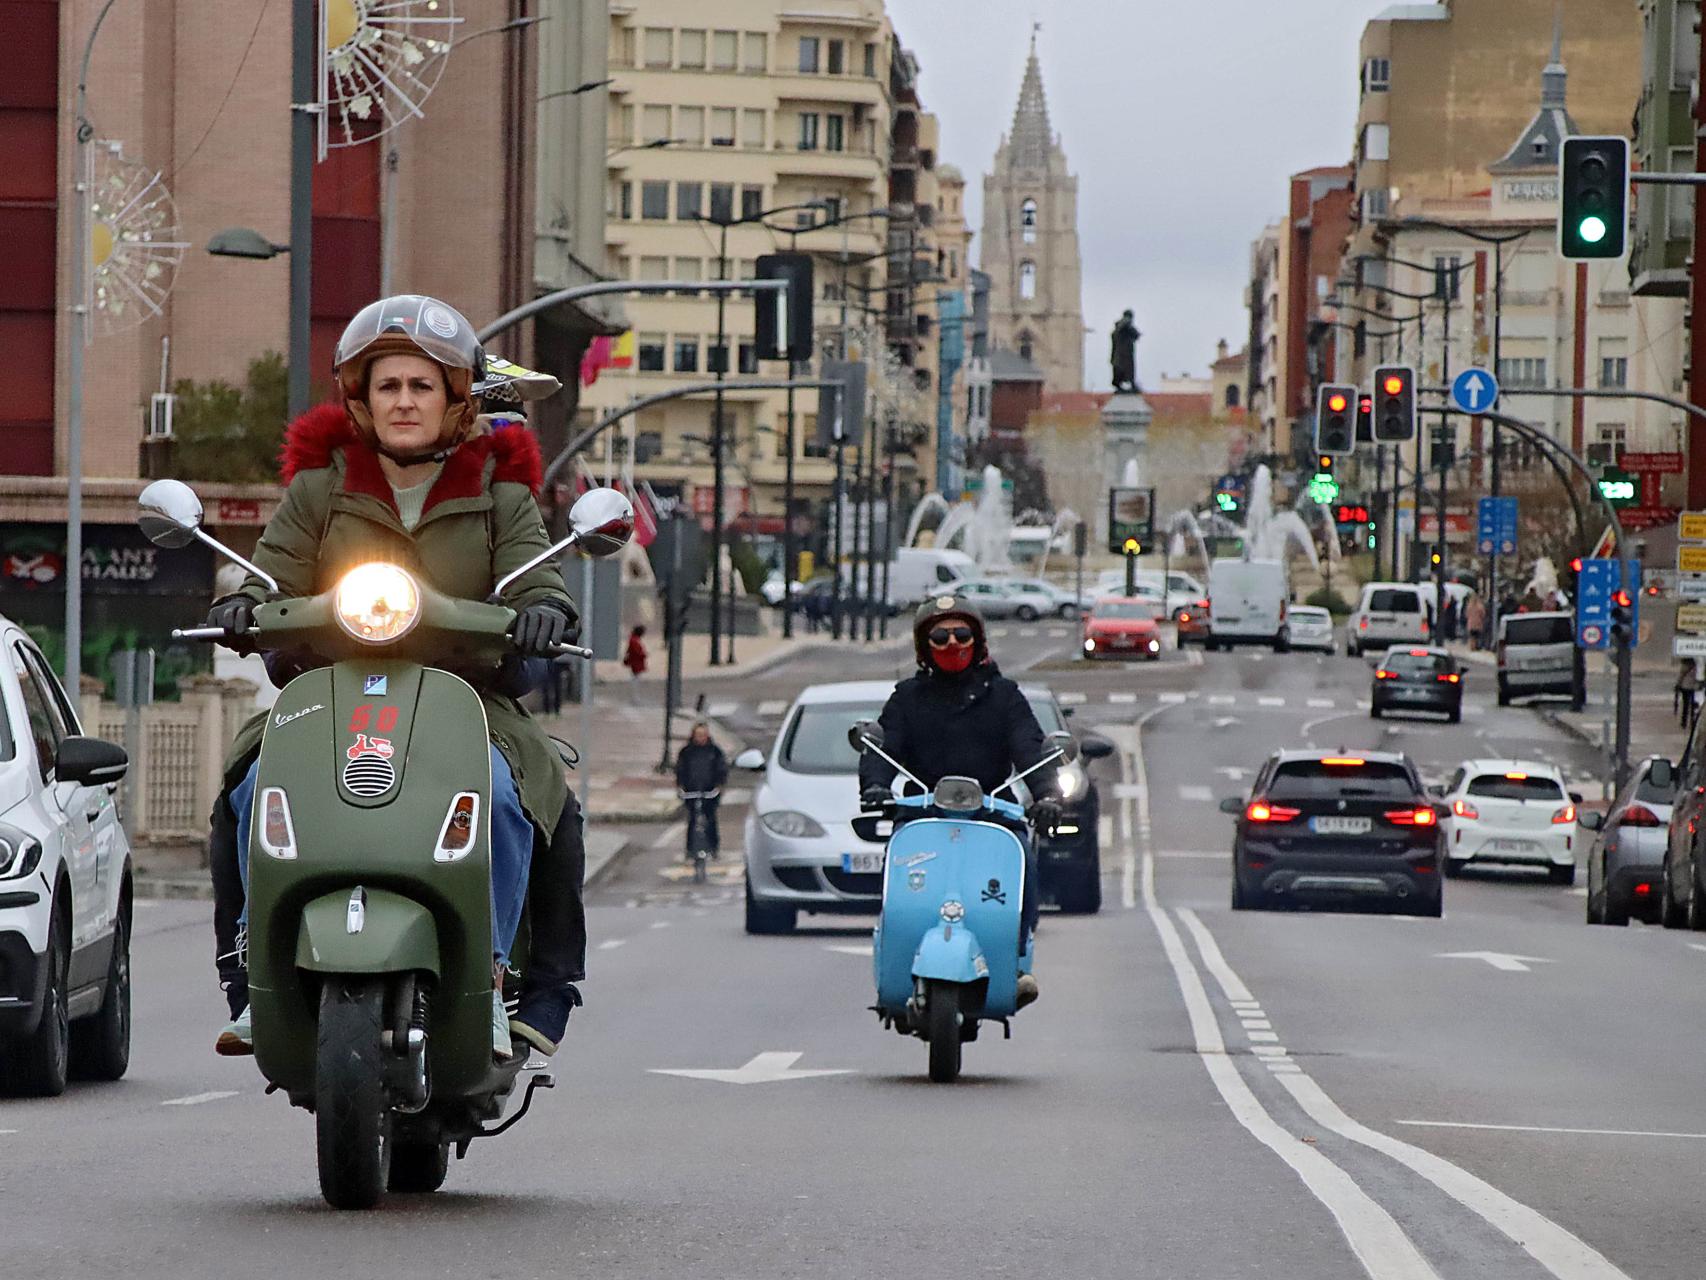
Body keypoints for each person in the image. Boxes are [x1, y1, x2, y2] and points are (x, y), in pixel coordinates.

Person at [206, 295, 587, 1062]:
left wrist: (544, 610)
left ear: (455, 398)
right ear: (361, 397)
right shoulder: (321, 488)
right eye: (388, 386)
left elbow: (537, 580)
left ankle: (511, 978)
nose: (404, 401)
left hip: (468, 701)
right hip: (330, 692)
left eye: (422, 385)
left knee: (519, 798)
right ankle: (253, 976)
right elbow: (272, 573)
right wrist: (244, 604)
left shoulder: (499, 493)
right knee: (246, 790)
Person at [857, 594, 1061, 1008]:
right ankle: (899, 957)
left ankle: (1016, 962)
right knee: (902, 885)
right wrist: (875, 786)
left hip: (991, 814)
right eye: (940, 635)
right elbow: (884, 746)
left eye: (962, 633)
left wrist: (1047, 793)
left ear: (978, 640)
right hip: (923, 814)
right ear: (923, 645)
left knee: (1024, 858)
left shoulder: (1004, 696)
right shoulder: (907, 697)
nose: (952, 643)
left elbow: (1029, 746)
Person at [674, 722, 729, 858]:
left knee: (710, 819)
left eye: (703, 735)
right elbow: (680, 770)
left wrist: (719, 786)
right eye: (698, 735)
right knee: (692, 819)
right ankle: (690, 849)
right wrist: (681, 786)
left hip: (709, 791)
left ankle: (713, 847)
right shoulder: (686, 752)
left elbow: (721, 769)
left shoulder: (715, 751)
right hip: (691, 791)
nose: (701, 738)